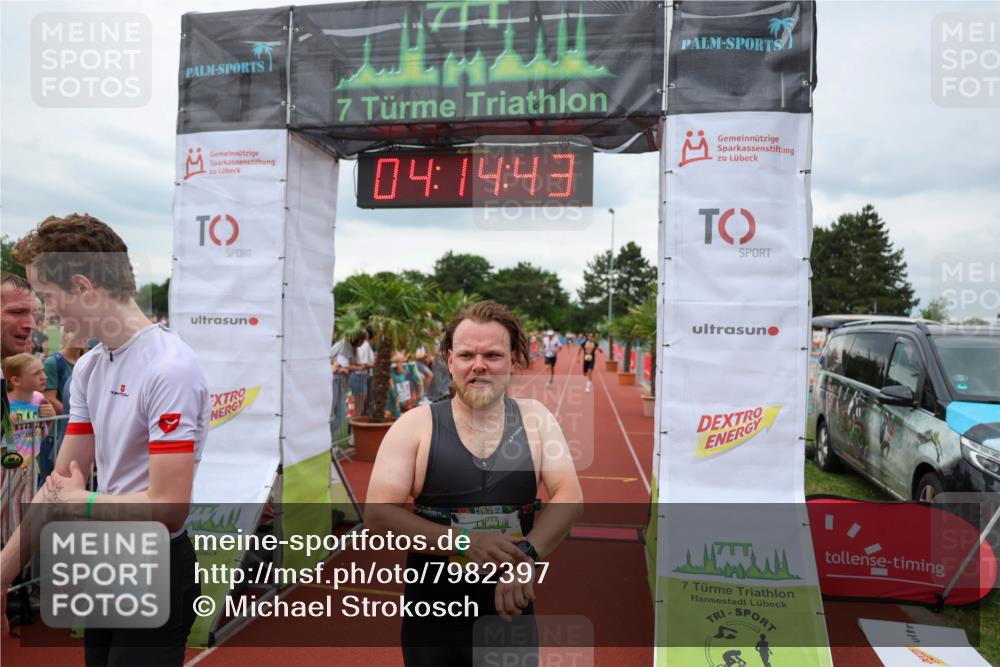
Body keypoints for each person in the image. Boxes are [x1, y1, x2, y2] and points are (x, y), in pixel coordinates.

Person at [0, 213, 210, 666]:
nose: (46, 315)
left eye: (49, 298)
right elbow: (57, 484)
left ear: (84, 286)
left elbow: (170, 507)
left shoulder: (169, 367)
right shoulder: (92, 367)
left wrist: (85, 502)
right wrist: (2, 575)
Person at [366, 300, 583, 666]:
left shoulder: (536, 420)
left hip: (509, 611)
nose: (478, 365)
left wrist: (526, 557)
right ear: (450, 361)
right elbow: (378, 514)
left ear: (514, 360)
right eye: (467, 355)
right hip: (433, 621)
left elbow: (570, 497)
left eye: (492, 355)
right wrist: (465, 542)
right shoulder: (415, 425)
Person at [1, 353, 55, 539]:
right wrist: (5, 423)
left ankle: (18, 549)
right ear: (15, 380)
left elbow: (44, 430)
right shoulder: (4, 403)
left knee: (24, 507)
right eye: (36, 373)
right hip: (5, 466)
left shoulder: (39, 399)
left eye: (43, 371)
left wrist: (50, 416)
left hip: (30, 465)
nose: (44, 376)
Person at [40, 328, 88, 480]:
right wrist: (79, 415)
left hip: (79, 432)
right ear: (65, 334)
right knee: (52, 480)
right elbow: (50, 399)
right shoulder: (53, 362)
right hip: (57, 433)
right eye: (76, 331)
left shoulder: (87, 362)